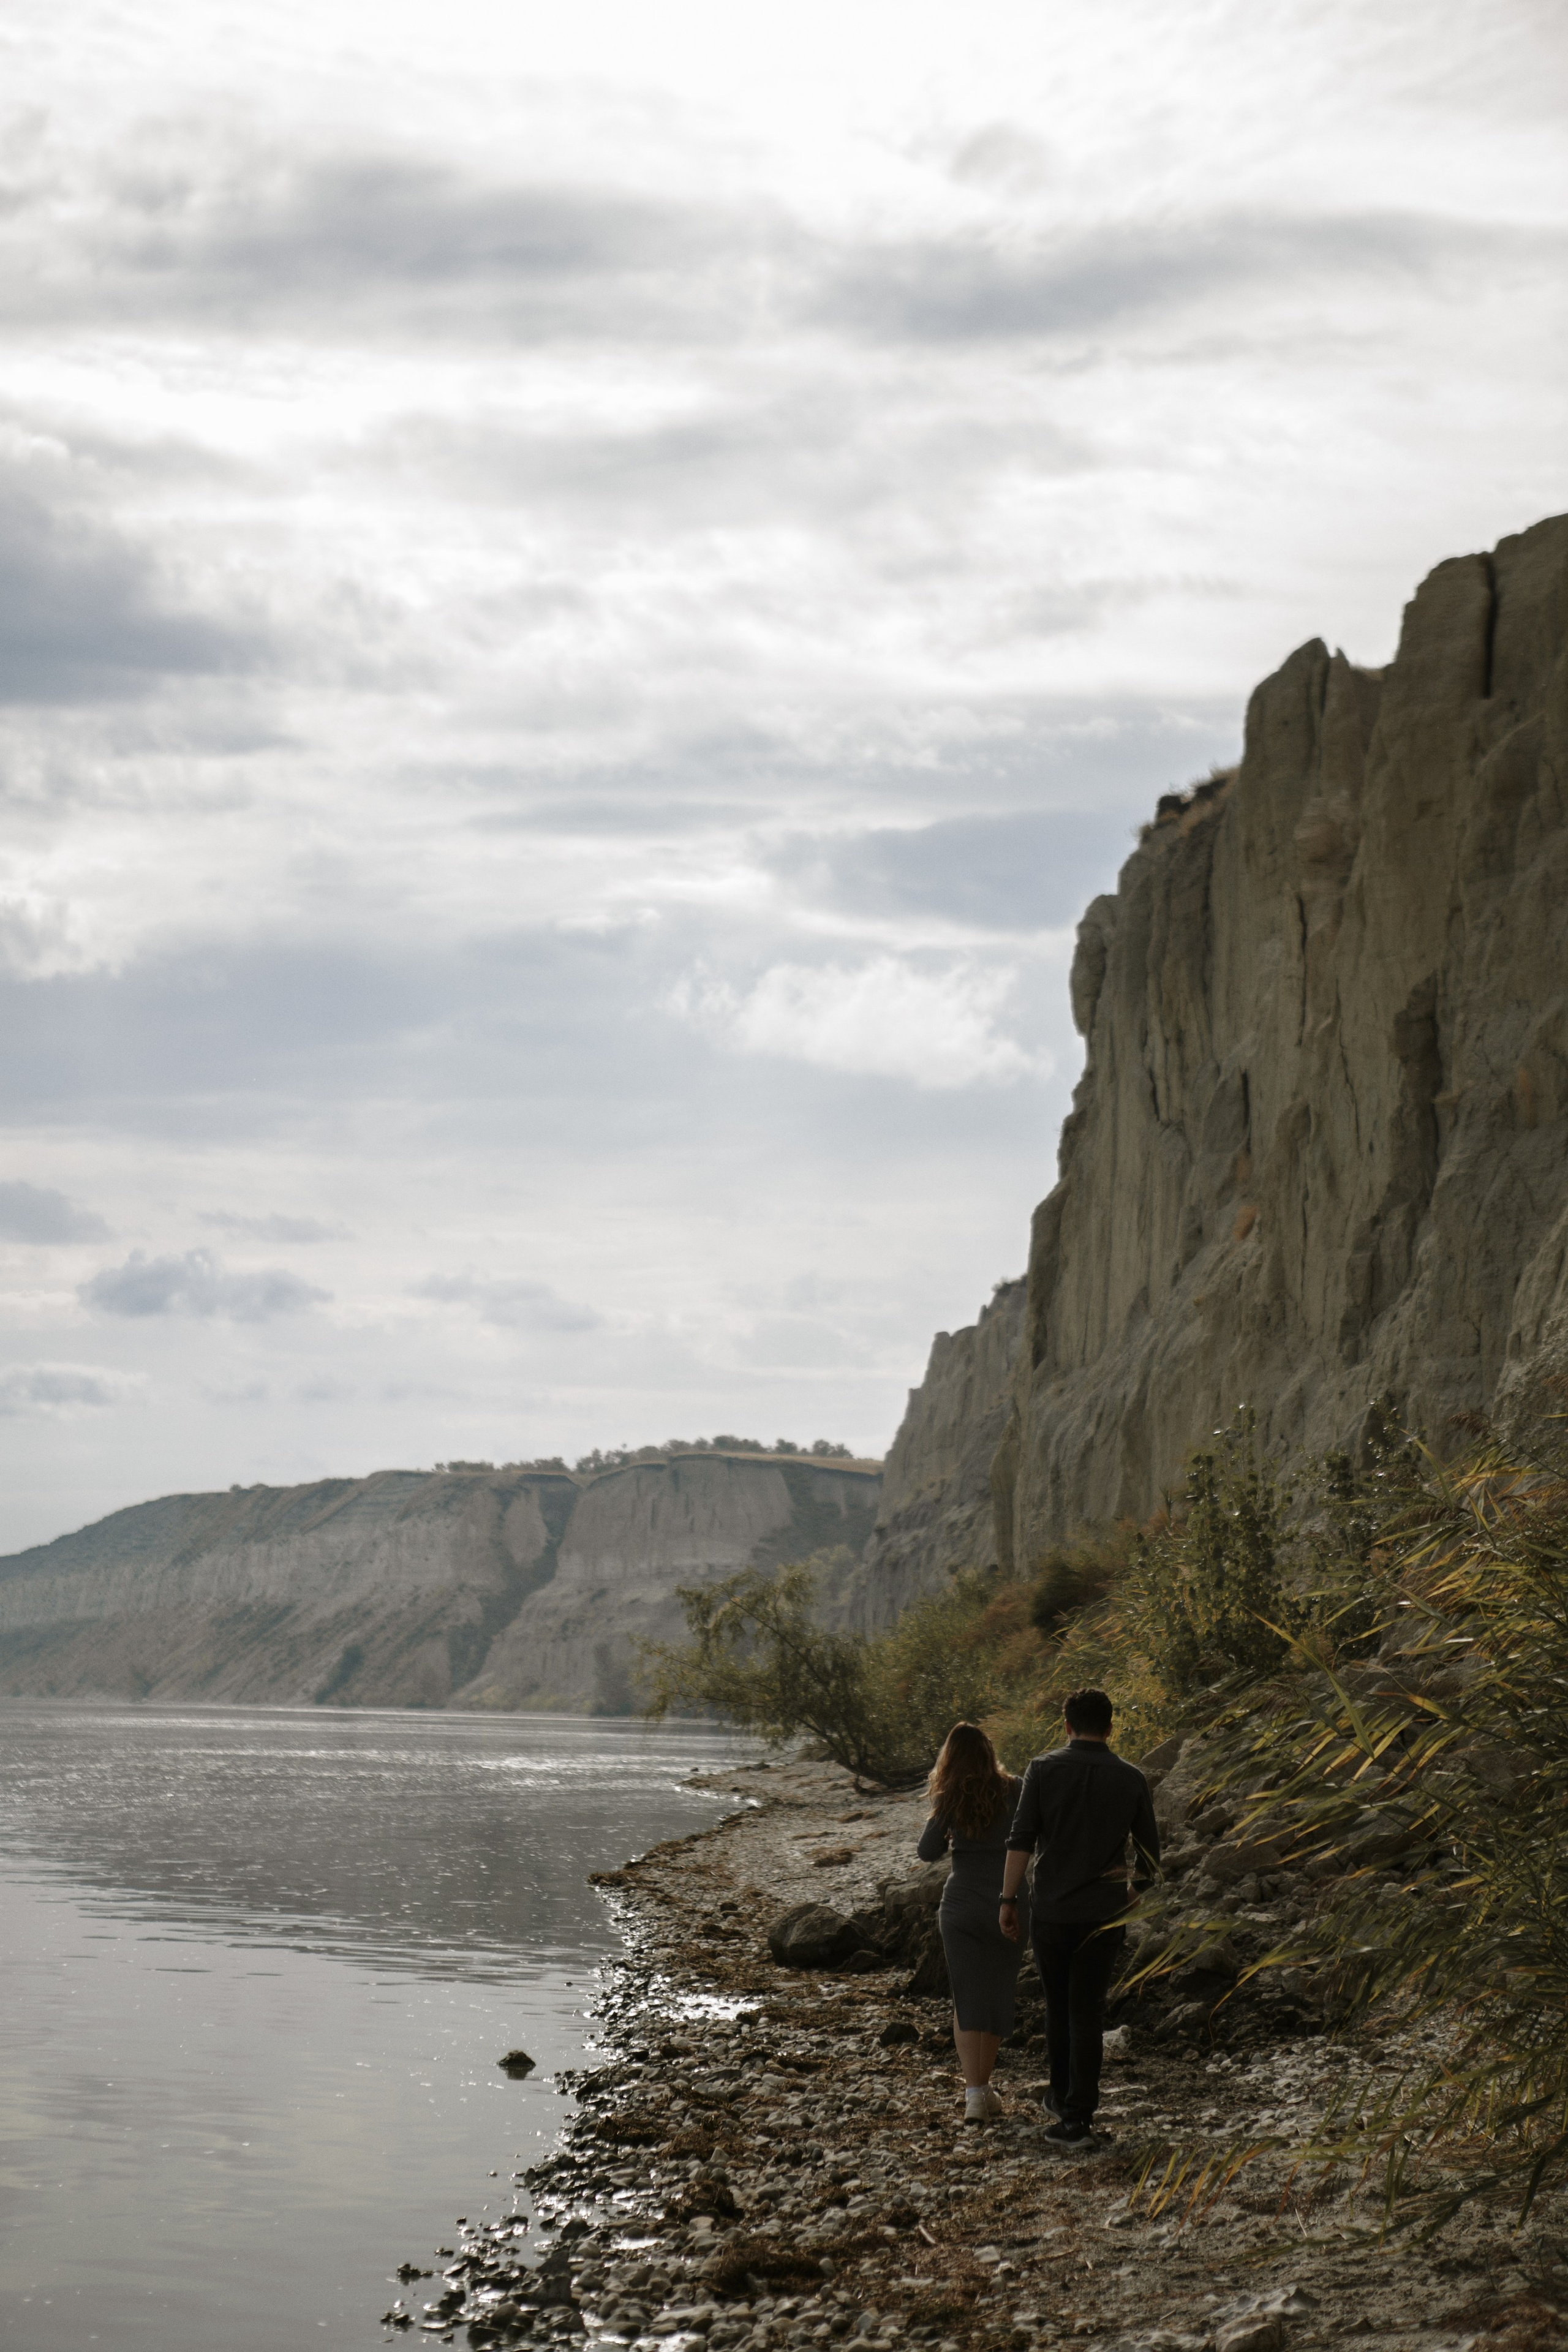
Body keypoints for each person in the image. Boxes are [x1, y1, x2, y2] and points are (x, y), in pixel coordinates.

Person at [999, 1686, 1158, 2148]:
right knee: (1087, 2011)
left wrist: (1007, 1900)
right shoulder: (1131, 1778)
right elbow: (1150, 1861)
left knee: (1058, 2008)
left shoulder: (1043, 1769)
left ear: (1067, 1726)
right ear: (1110, 1728)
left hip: (1052, 1911)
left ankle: (1062, 2102)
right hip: (1103, 1915)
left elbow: (1021, 1839)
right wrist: (1128, 1897)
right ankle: (1077, 2114)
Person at [917, 1722, 1031, 2126]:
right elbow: (1033, 1837)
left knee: (967, 1998)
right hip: (1009, 1901)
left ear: (950, 1759)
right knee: (997, 1992)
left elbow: (927, 1852)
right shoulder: (1016, 1789)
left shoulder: (950, 1796)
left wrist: (950, 1828)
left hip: (961, 1905)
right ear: (989, 1752)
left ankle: (975, 2095)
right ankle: (983, 2089)